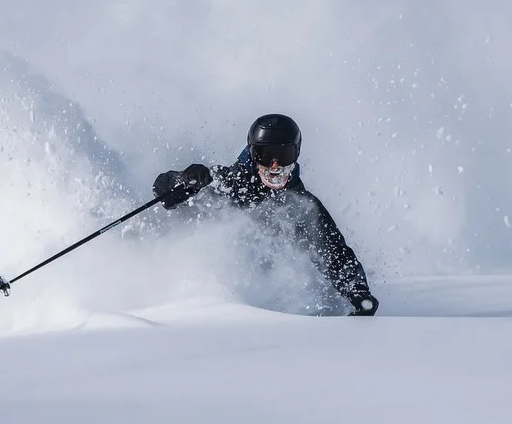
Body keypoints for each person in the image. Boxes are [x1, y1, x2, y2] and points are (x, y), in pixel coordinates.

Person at [152, 113, 378, 316]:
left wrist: (357, 292)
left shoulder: (302, 208)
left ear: (296, 153)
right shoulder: (228, 183)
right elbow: (163, 192)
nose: (275, 165)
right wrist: (184, 180)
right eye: (265, 155)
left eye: (283, 154)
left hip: (273, 307)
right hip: (202, 298)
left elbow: (335, 255)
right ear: (252, 153)